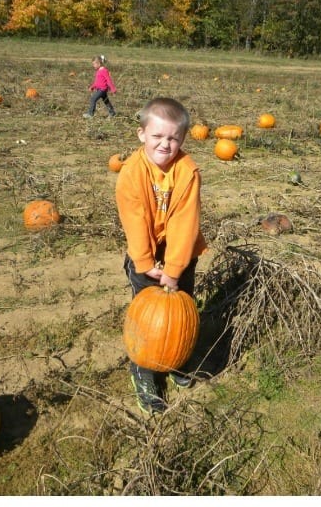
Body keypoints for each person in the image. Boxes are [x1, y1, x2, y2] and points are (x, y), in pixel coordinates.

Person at [115, 97, 207, 413]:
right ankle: (144, 372)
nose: (165, 145)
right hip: (145, 252)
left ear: (182, 139)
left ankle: (177, 360)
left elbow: (185, 221)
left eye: (173, 138)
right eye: (157, 137)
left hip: (180, 253)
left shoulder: (187, 172)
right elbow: (135, 219)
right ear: (142, 135)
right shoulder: (131, 172)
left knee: (182, 308)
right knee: (146, 317)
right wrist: (143, 262)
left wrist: (174, 269)